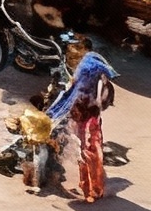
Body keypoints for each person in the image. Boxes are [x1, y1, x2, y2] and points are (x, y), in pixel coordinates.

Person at [48, 40, 117, 202]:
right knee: (91, 152)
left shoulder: (84, 74)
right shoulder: (95, 71)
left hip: (85, 120)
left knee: (86, 153)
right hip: (92, 120)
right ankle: (93, 187)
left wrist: (53, 114)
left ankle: (91, 190)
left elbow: (70, 99)